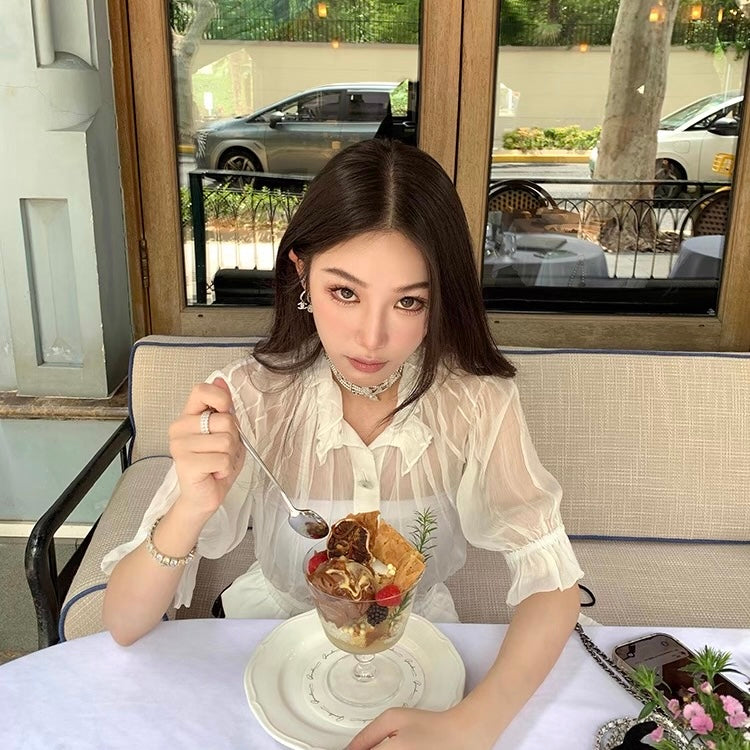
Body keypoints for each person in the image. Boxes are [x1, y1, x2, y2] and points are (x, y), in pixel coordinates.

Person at [102, 138, 584, 749]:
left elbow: (551, 581)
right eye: (346, 292)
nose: (371, 337)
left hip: (418, 659)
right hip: (266, 653)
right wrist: (192, 507)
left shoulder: (475, 402)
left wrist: (475, 725)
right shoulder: (250, 398)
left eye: (408, 301)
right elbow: (122, 623)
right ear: (301, 273)